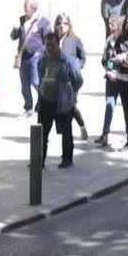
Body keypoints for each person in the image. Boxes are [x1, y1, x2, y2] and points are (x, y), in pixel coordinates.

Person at [33, 32, 83, 168]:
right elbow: (40, 77)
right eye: (47, 45)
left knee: (66, 130)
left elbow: (78, 80)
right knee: (41, 132)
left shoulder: (67, 61)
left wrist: (70, 93)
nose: (50, 48)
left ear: (58, 44)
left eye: (53, 45)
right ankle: (39, 160)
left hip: (62, 101)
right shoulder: (42, 61)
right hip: (45, 100)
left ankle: (67, 158)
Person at [98, 16, 128, 151]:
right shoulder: (119, 39)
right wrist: (120, 60)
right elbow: (112, 58)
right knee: (127, 111)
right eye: (127, 23)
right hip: (122, 77)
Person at [10, 0, 51, 116]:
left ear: (33, 8)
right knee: (24, 84)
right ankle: (28, 108)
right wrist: (15, 28)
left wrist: (41, 52)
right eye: (24, 6)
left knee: (35, 81)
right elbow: (13, 37)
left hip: (36, 57)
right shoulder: (21, 20)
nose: (24, 8)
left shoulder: (42, 21)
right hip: (23, 56)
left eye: (26, 6)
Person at [54, 13, 88, 141]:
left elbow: (83, 57)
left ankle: (81, 125)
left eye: (65, 23)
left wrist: (77, 67)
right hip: (56, 79)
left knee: (70, 106)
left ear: (69, 25)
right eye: (59, 23)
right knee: (57, 105)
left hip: (72, 80)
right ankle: (61, 132)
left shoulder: (75, 40)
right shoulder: (53, 39)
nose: (62, 26)